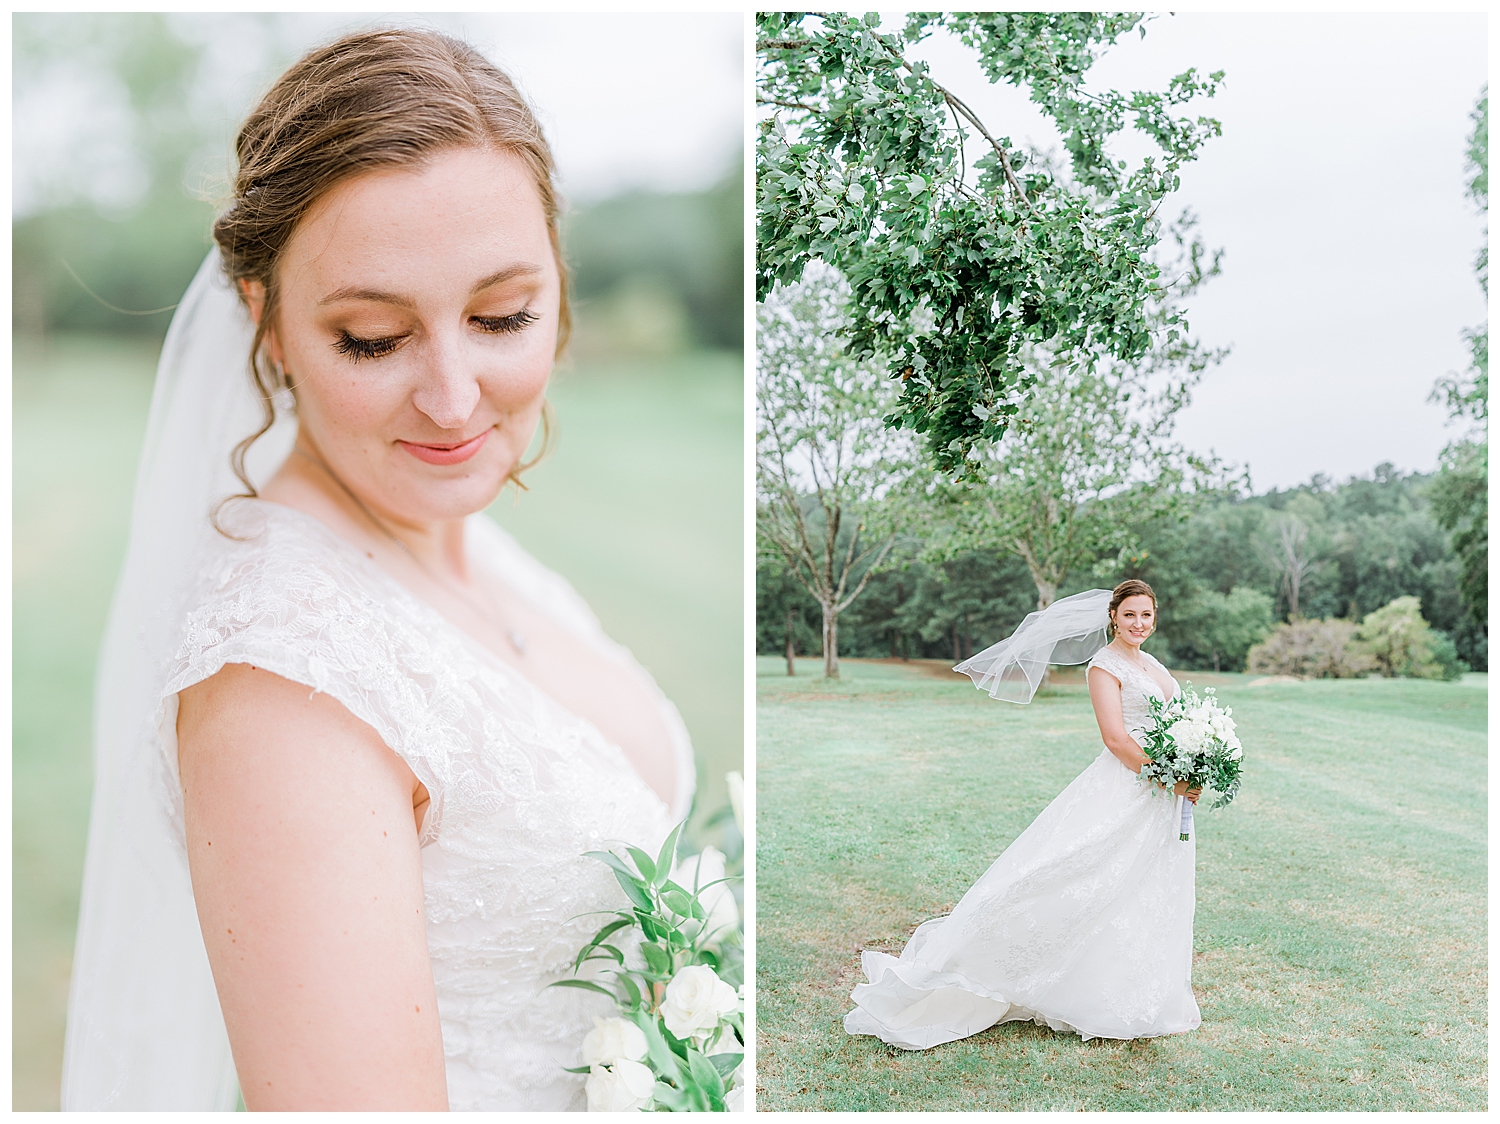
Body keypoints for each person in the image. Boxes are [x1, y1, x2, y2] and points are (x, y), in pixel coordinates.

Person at [62, 28, 694, 1111]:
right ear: (269, 325)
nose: (454, 399)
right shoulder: (285, 683)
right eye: (370, 336)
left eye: (502, 316)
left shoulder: (471, 544)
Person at [843, 580, 1202, 1049]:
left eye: (1147, 615)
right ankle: (1009, 968)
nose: (1139, 624)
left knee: (1145, 888)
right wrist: (1167, 776)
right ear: (1113, 616)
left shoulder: (1153, 665)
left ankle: (1138, 995)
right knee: (1083, 875)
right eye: (1130, 614)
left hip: (1162, 796)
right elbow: (1116, 740)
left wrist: (1194, 760)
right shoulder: (1104, 666)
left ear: (1156, 619)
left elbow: (1174, 723)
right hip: (1126, 788)